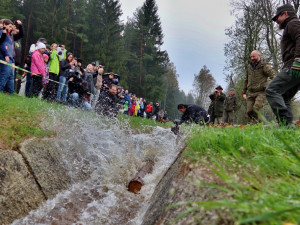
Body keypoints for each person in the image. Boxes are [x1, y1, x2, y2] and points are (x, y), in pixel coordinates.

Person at [266, 3, 300, 127]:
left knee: (272, 90)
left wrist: (298, 61)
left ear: (285, 13)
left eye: (277, 18)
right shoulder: (291, 25)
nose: (276, 21)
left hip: (294, 66)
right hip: (293, 65)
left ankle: (285, 124)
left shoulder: (293, 23)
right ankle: (287, 129)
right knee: (284, 95)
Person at [242, 50, 275, 123]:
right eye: (251, 57)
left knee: (256, 108)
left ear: (259, 56)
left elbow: (273, 76)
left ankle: (257, 124)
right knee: (249, 111)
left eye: (254, 56)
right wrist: (243, 92)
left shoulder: (264, 66)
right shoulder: (249, 67)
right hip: (250, 92)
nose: (252, 58)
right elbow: (246, 80)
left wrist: (274, 86)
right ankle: (259, 123)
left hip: (261, 92)